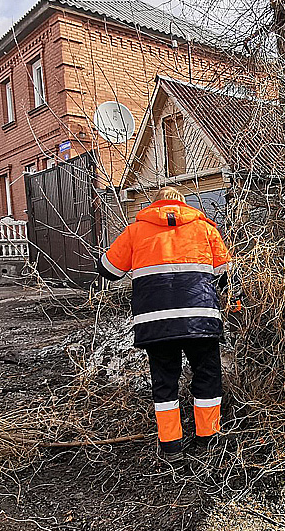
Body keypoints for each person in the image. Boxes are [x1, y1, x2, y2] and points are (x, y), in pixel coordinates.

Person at [97, 186, 231, 463]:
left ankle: (171, 446)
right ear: (184, 204)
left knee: (164, 382)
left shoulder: (135, 232)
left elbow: (108, 270)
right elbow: (225, 275)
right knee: (207, 377)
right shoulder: (205, 230)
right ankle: (208, 439)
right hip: (200, 319)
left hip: (156, 323)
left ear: (154, 205)